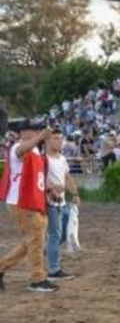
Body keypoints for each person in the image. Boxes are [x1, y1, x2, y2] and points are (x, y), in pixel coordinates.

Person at [0, 119, 58, 292]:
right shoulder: (18, 148)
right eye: (34, 129)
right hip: (22, 201)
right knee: (35, 241)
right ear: (23, 132)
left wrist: (47, 189)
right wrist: (40, 137)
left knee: (32, 241)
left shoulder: (33, 150)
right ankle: (37, 278)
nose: (37, 132)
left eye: (38, 129)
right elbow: (21, 150)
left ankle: (3, 267)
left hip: (30, 200)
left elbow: (36, 176)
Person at [44, 131, 80, 280]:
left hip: (63, 201)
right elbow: (40, 178)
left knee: (63, 234)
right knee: (55, 234)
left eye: (60, 138)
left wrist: (75, 193)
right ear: (47, 141)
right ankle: (53, 269)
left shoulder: (62, 158)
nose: (59, 141)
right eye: (55, 138)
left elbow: (67, 177)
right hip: (51, 201)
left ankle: (47, 251)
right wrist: (52, 187)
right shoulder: (43, 159)